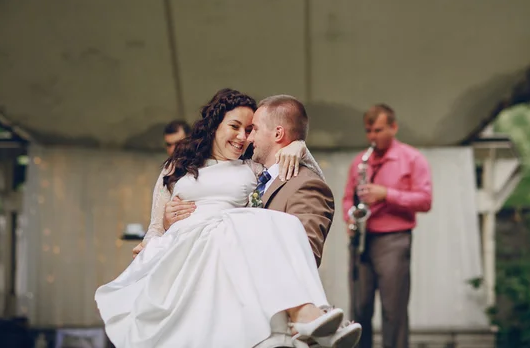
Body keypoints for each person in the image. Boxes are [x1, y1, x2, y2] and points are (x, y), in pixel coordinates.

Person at [95, 89, 360, 348]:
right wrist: (156, 237)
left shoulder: (252, 167)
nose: (243, 137)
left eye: (249, 130)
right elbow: (155, 228)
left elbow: (301, 179)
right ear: (214, 126)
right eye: (235, 126)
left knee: (264, 224)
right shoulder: (175, 167)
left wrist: (299, 146)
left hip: (221, 251)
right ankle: (308, 316)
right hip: (180, 250)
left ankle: (304, 315)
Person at [165, 95, 334, 267]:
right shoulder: (262, 178)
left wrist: (300, 146)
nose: (248, 138)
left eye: (253, 129)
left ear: (278, 133)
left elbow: (305, 255)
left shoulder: (305, 185)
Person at [342, 104, 432, 348]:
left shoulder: (412, 159)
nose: (373, 137)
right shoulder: (360, 161)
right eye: (369, 131)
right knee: (359, 310)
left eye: (379, 130)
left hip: (394, 239)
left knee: (394, 312)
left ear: (394, 127)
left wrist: (386, 194)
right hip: (361, 241)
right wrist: (349, 217)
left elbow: (425, 200)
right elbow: (348, 198)